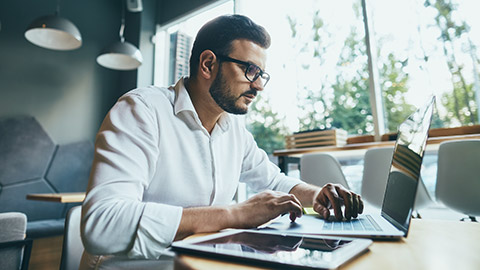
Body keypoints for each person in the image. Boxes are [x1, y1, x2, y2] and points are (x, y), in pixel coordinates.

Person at [80, 14, 363, 266]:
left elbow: (274, 182)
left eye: (262, 74)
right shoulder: (141, 110)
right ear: (208, 64)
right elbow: (102, 225)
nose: (259, 85)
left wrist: (317, 197)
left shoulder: (234, 130)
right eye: (250, 70)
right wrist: (237, 214)